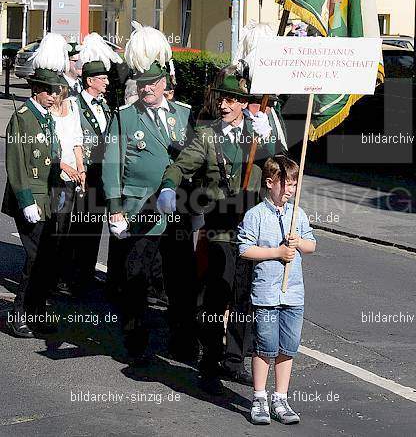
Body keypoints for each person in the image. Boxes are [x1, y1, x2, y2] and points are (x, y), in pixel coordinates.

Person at [159, 72, 279, 394]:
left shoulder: (256, 135)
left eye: (230, 100)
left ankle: (234, 360)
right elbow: (181, 166)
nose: (223, 105)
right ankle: (210, 361)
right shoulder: (206, 136)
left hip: (250, 231)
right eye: (221, 99)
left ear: (242, 104)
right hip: (219, 230)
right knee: (216, 298)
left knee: (245, 300)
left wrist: (269, 142)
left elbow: (279, 171)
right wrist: (169, 187)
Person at [103, 23, 197, 363]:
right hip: (138, 208)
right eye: (140, 84)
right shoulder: (126, 117)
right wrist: (115, 207)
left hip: (177, 208)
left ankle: (183, 341)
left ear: (164, 85)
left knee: (181, 279)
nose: (144, 90)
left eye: (151, 84)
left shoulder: (184, 115)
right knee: (136, 277)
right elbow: (111, 164)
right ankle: (135, 341)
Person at [237, 155, 316, 425]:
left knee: (288, 347)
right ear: (270, 183)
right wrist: (277, 252)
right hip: (267, 293)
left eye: (294, 185)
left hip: (293, 294)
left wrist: (299, 242)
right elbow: (245, 249)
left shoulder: (298, 214)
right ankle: (259, 396)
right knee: (265, 347)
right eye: (286, 184)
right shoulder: (256, 215)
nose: (290, 190)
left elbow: (312, 246)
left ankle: (280, 397)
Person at [2, 33, 69, 337]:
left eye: (56, 92)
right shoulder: (23, 118)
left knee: (48, 259)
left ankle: (38, 311)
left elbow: (50, 159)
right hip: (29, 200)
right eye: (50, 92)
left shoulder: (46, 119)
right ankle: (19, 314)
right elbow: (16, 162)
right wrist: (27, 200)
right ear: (37, 90)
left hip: (49, 199)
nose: (55, 97)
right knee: (35, 259)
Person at [72, 33, 122, 294]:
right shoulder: (75, 104)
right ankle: (79, 277)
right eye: (102, 78)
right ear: (90, 81)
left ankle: (90, 273)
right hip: (87, 171)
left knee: (103, 224)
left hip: (105, 171)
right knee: (86, 227)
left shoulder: (106, 103)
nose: (106, 82)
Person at [49, 84, 85, 294]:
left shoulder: (72, 106)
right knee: (54, 227)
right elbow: (48, 146)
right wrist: (65, 166)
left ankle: (58, 274)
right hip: (56, 174)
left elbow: (77, 140)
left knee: (64, 227)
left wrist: (81, 168)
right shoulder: (47, 111)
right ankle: (49, 275)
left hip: (72, 175)